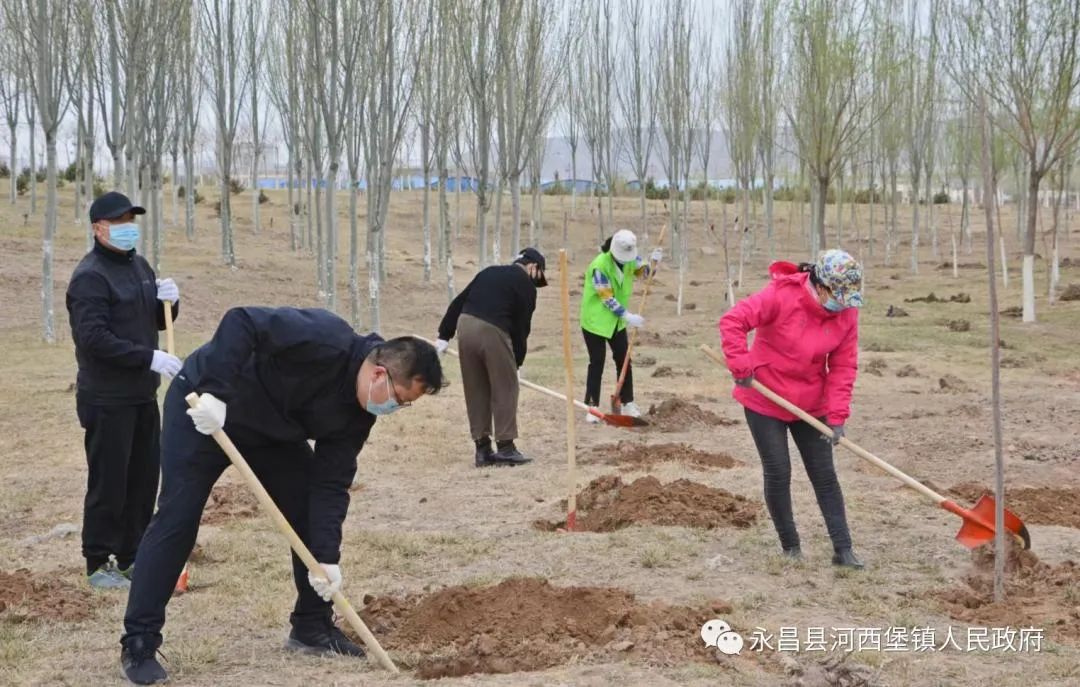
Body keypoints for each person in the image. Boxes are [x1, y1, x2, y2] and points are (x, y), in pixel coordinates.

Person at [118, 307, 445, 685]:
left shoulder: (358, 416)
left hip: (272, 434)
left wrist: (326, 559)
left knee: (306, 510)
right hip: (205, 408)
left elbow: (330, 485)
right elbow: (242, 321)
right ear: (378, 373)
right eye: (399, 399)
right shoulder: (325, 338)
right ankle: (139, 641)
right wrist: (216, 393)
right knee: (178, 517)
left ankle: (312, 626)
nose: (394, 409)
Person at [718, 249, 864, 569]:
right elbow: (733, 321)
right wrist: (741, 364)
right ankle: (791, 546)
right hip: (765, 398)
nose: (843, 303)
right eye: (838, 296)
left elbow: (843, 365)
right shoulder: (782, 296)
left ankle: (843, 549)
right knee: (779, 470)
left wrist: (837, 415)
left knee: (824, 475)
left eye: (847, 298)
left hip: (812, 403)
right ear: (821, 286)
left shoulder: (846, 313)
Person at [66, 191, 182, 590]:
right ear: (99, 228)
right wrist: (148, 358)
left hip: (142, 396)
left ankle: (133, 556)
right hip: (106, 397)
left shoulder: (139, 266)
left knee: (143, 479)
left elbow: (157, 321)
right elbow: (94, 338)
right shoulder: (90, 277)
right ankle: (98, 561)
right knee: (109, 481)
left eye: (132, 220)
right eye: (120, 222)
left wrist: (170, 301)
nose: (128, 228)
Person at [436, 248, 547, 467]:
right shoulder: (525, 285)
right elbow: (521, 328)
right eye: (539, 275)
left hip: (465, 327)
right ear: (533, 267)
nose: (536, 283)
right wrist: (517, 362)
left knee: (476, 388)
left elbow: (459, 302)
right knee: (505, 387)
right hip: (492, 331)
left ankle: (482, 450)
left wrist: (444, 335)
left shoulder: (489, 272)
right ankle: (506, 448)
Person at [579, 229, 661, 421]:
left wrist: (654, 263)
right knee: (597, 362)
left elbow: (645, 275)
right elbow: (606, 297)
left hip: (616, 322)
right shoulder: (599, 265)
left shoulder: (631, 258)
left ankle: (627, 402)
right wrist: (628, 316)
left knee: (624, 360)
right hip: (595, 321)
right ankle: (592, 406)